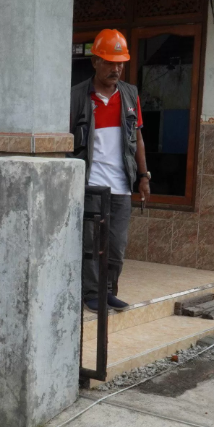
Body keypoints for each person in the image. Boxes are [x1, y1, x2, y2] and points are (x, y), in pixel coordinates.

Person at [70, 29, 151, 313]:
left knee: (116, 245)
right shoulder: (78, 96)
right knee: (92, 242)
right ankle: (91, 293)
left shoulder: (130, 95)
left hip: (121, 185)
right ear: (95, 62)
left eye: (120, 63)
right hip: (91, 184)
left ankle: (108, 291)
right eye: (109, 61)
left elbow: (137, 138)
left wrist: (143, 176)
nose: (116, 68)